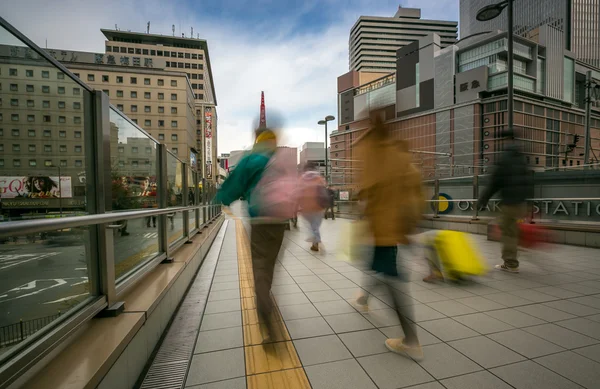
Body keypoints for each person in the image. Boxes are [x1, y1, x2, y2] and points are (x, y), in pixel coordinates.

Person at [352, 114, 424, 360]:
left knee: (391, 280)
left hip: (384, 230)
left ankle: (411, 341)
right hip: (392, 230)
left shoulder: (380, 155)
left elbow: (365, 191)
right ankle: (362, 298)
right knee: (382, 270)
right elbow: (416, 196)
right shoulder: (401, 156)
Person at [216, 128, 289, 343]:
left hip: (260, 221)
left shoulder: (251, 160)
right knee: (270, 264)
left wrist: (222, 199)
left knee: (260, 268)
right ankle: (266, 297)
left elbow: (232, 187)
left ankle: (267, 323)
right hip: (280, 221)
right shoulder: (279, 160)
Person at [479, 129, 531, 273]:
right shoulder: (521, 157)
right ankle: (515, 251)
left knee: (507, 232)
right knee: (511, 230)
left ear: (505, 140)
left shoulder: (505, 158)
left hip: (509, 202)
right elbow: (529, 180)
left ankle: (511, 263)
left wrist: (483, 199)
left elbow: (495, 181)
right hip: (521, 202)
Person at [297, 162, 328, 251]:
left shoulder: (302, 179)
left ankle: (316, 240)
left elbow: (298, 193)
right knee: (315, 225)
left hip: (306, 207)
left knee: (310, 226)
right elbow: (325, 190)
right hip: (319, 206)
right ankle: (316, 243)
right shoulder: (319, 178)